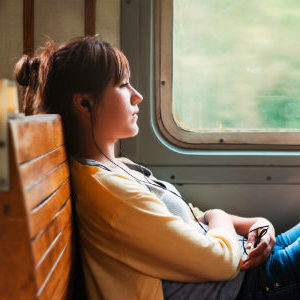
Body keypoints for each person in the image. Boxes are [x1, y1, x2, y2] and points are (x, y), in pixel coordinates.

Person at [14, 35, 300, 300]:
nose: (137, 96)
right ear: (85, 103)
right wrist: (221, 215)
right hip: (248, 284)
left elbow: (193, 219)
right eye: (123, 85)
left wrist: (256, 223)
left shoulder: (119, 168)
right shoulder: (109, 193)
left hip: (246, 259)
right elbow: (220, 262)